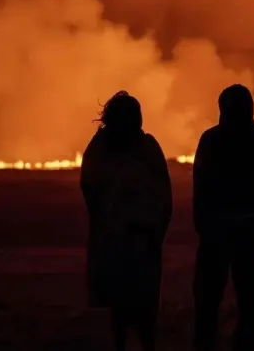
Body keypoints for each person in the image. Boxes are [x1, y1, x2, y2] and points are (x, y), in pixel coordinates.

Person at [192, 84, 254, 351]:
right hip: (243, 234)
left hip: (222, 233)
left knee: (210, 301)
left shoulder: (211, 140)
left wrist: (206, 225)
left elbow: (200, 187)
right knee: (247, 301)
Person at [80, 91, 173, 351]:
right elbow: (164, 195)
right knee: (134, 305)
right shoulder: (135, 148)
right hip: (130, 240)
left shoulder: (104, 148)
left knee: (128, 306)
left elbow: (90, 191)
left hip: (132, 239)